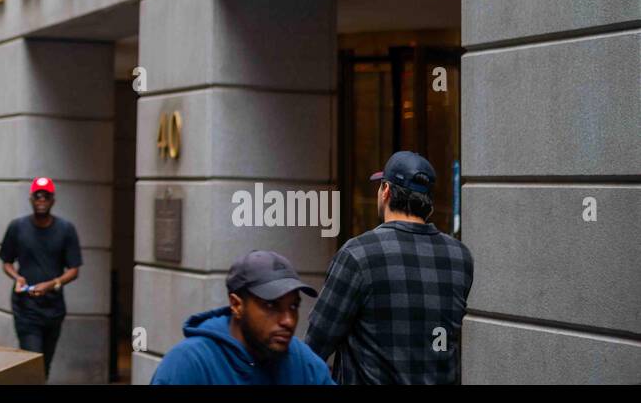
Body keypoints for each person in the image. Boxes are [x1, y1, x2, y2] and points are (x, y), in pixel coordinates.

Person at [305, 151, 474, 384]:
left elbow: (315, 346)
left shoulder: (358, 254)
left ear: (385, 191)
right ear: (428, 203)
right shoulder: (459, 257)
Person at [150, 250, 333, 385]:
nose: (288, 320)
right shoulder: (189, 363)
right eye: (271, 305)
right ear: (237, 305)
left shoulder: (304, 362)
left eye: (293, 306)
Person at [0, 177, 81, 379]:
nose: (41, 200)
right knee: (32, 359)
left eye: (46, 196)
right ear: (31, 199)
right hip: (26, 308)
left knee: (45, 364)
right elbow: (6, 262)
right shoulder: (17, 227)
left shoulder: (66, 230)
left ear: (53, 200)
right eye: (37, 196)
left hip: (53, 308)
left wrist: (52, 284)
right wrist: (17, 277)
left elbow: (74, 269)